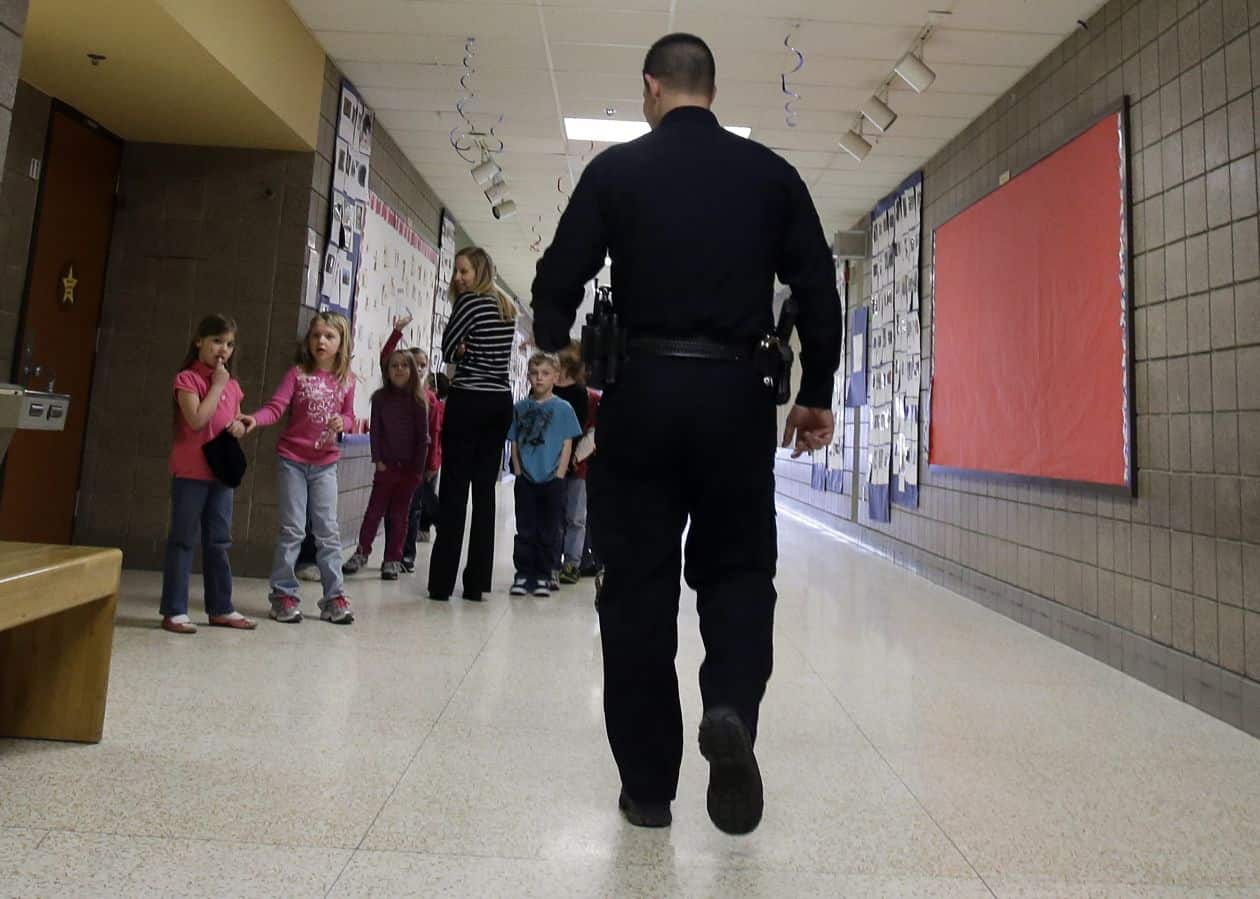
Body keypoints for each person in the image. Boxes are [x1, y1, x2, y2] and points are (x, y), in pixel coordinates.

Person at [529, 33, 841, 835]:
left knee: (636, 587)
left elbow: (558, 276)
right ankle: (729, 704)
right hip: (738, 396)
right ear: (710, 87)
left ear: (651, 88)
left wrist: (558, 340)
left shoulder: (617, 171)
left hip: (642, 393)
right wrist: (814, 393)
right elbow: (817, 285)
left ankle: (648, 789)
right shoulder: (771, 174)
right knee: (738, 571)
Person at [239, 313, 358, 625]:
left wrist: (343, 422)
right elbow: (276, 407)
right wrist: (254, 420)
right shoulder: (297, 374)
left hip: (325, 465)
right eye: (316, 335)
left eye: (329, 336)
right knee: (292, 529)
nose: (321, 341)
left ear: (341, 343)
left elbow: (350, 416)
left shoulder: (347, 380)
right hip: (292, 460)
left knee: (327, 531)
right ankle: (283, 595)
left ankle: (334, 597)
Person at [426, 248, 517, 602]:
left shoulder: (469, 302)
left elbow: (449, 349)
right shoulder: (506, 306)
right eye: (456, 271)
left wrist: (464, 350)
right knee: (484, 493)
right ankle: (477, 582)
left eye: (464, 271)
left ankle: (441, 583)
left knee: (454, 490)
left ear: (480, 271)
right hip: (499, 402)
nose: (458, 278)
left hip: (468, 400)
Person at [158, 314, 256, 634]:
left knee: (219, 541)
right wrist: (217, 385)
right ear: (199, 341)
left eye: (229, 344)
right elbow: (197, 419)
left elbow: (234, 418)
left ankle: (220, 607)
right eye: (216, 341)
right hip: (191, 472)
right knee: (183, 539)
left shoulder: (233, 386)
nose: (223, 349)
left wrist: (241, 425)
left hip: (220, 474)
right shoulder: (188, 380)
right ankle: (175, 610)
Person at [342, 347, 429, 580]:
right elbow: (376, 432)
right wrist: (377, 459)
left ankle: (392, 558)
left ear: (412, 370)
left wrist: (418, 470)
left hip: (409, 470)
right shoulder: (380, 398)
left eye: (404, 365)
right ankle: (362, 552)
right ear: (387, 371)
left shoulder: (418, 402)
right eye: (394, 366)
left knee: (399, 516)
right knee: (374, 512)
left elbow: (423, 439)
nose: (399, 369)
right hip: (386, 466)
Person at [507, 352, 583, 598]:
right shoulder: (520, 408)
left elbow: (567, 443)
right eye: (534, 373)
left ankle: (543, 574)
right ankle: (523, 573)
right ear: (528, 376)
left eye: (545, 373)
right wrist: (518, 470)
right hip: (526, 478)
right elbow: (515, 441)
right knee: (526, 527)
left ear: (555, 377)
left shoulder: (564, 408)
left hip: (553, 479)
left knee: (549, 529)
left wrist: (560, 474)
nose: (539, 378)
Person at [376, 318, 443, 573]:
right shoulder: (392, 394)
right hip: (393, 461)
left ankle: (407, 555)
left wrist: (433, 463)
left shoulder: (430, 399)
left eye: (423, 365)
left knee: (413, 509)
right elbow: (385, 358)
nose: (419, 368)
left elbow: (435, 432)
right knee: (391, 510)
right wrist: (396, 332)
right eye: (414, 364)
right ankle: (391, 554)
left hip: (418, 464)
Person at [553, 342, 590, 586]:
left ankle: (572, 563)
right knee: (555, 515)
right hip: (549, 461)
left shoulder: (579, 392)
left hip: (576, 463)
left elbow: (580, 427)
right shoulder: (549, 387)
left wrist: (570, 457)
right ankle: (553, 561)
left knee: (575, 516)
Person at [413, 372, 449, 554]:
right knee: (425, 494)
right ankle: (424, 530)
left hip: (430, 459)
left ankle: (441, 520)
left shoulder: (436, 407)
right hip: (433, 458)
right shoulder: (438, 406)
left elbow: (436, 436)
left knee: (424, 495)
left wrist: (433, 463)